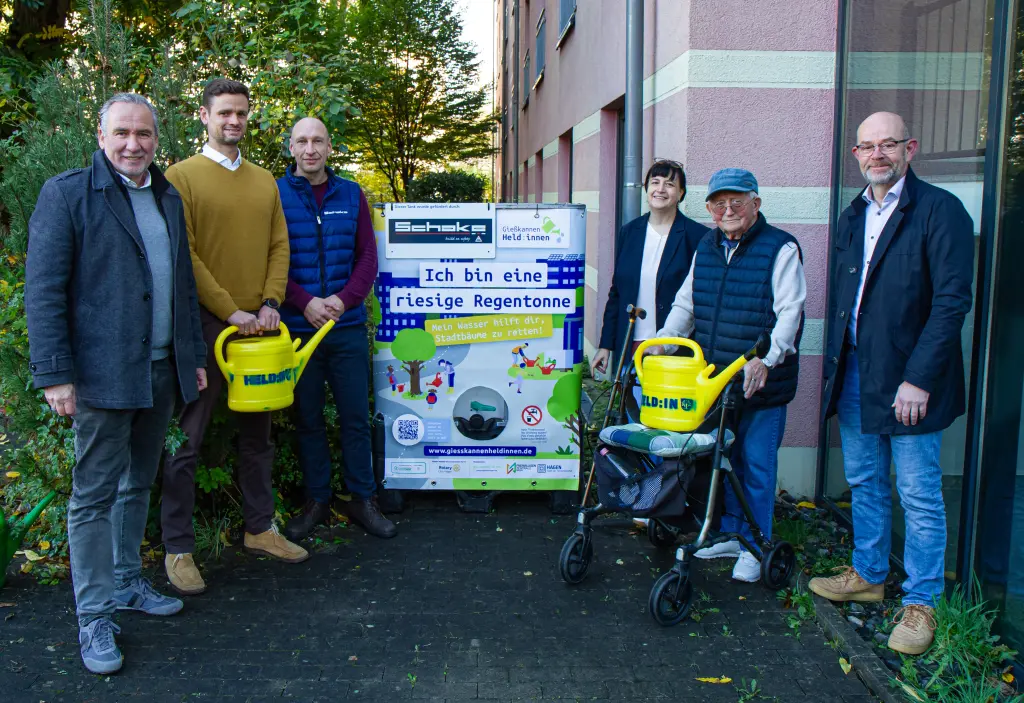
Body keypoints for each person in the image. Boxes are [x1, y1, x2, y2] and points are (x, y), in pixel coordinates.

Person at [25, 93, 207, 674]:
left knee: (137, 484)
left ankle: (128, 583)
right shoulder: (68, 194)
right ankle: (94, 616)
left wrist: (191, 356)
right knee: (94, 497)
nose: (134, 144)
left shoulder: (167, 197)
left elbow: (180, 286)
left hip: (159, 370)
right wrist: (55, 374)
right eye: (123, 133)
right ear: (100, 136)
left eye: (144, 134)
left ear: (158, 139)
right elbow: (45, 290)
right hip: (101, 376)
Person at [810, 112, 974, 656]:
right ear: (856, 155)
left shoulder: (939, 211)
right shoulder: (854, 213)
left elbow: (952, 302)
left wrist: (919, 379)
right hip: (857, 371)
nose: (877, 154)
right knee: (864, 480)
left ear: (911, 147)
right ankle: (869, 574)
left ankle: (922, 601)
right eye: (867, 146)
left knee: (919, 493)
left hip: (910, 382)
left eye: (888, 144)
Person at [161, 78, 308, 596]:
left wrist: (268, 305)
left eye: (242, 113)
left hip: (260, 330)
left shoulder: (264, 179)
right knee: (189, 438)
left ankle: (259, 529)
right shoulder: (180, 178)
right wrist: (231, 312)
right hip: (206, 327)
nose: (234, 121)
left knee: (258, 435)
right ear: (204, 116)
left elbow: (278, 245)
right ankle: (178, 548)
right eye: (225, 112)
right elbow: (188, 256)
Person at [645, 168, 806, 583]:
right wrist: (665, 341)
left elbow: (790, 314)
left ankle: (756, 546)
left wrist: (767, 360)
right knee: (725, 459)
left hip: (759, 381)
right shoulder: (708, 244)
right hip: (715, 381)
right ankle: (733, 534)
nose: (728, 210)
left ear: (756, 203)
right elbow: (687, 303)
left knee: (755, 464)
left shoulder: (781, 248)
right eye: (719, 203)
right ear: (710, 209)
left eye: (737, 201)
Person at [276, 117, 396, 541]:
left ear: (330, 147)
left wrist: (342, 302)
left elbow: (367, 258)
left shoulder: (351, 194)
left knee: (354, 418)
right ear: (291, 147)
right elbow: (269, 261)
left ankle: (364, 499)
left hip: (344, 328)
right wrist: (304, 302)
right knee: (306, 418)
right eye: (302, 141)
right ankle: (317, 501)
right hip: (296, 330)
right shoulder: (274, 194)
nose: (310, 149)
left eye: (318, 141)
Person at [591, 159, 708, 379]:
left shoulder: (697, 236)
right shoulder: (630, 232)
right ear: (647, 189)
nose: (661, 189)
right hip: (630, 343)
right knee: (631, 410)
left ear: (681, 193)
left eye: (670, 184)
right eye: (655, 182)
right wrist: (605, 345)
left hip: (674, 347)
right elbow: (617, 293)